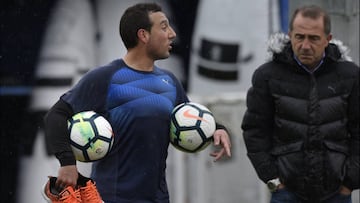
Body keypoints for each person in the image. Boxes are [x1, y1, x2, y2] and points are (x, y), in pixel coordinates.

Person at [43, 3, 231, 203]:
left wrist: (217, 129)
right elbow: (55, 116)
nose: (172, 34)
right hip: (111, 198)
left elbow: (189, 119)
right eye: (164, 27)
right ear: (143, 35)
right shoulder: (105, 77)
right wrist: (67, 163)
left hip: (158, 199)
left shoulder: (169, 81)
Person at [241, 5, 359, 203]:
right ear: (290, 35)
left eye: (313, 38)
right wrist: (272, 179)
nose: (305, 45)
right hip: (286, 192)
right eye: (299, 37)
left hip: (337, 192)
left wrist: (351, 181)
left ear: (327, 40)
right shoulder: (267, 76)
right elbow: (255, 131)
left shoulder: (350, 75)